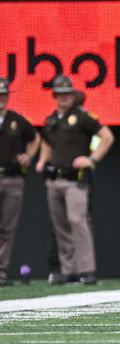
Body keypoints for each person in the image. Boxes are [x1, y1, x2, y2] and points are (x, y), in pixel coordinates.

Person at [36, 75, 114, 285]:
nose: (63, 97)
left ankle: (86, 269)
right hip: (54, 178)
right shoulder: (51, 119)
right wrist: (42, 161)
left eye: (67, 93)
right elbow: (46, 143)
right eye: (60, 94)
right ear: (55, 95)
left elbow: (107, 136)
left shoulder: (82, 117)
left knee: (78, 221)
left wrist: (92, 158)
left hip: (75, 180)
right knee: (60, 225)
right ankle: (68, 269)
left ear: (72, 94)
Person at [0, 77, 40, 285]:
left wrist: (28, 156)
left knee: (7, 227)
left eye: (4, 95)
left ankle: (1, 274)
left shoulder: (16, 120)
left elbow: (35, 138)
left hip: (12, 178)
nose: (1, 99)